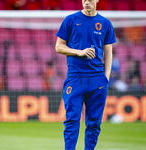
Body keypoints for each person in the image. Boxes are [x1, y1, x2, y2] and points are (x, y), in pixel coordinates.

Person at [55, 0, 116, 149]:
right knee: (72, 120)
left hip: (97, 79)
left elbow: (108, 53)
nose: (86, 2)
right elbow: (58, 46)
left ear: (97, 0)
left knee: (94, 122)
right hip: (75, 78)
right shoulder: (70, 20)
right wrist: (78, 52)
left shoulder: (105, 23)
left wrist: (105, 77)